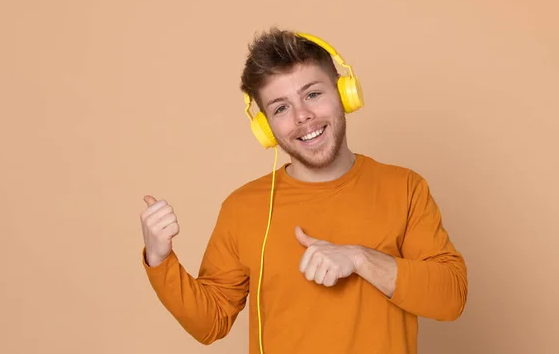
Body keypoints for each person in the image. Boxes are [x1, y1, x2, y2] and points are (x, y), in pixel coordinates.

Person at [138, 27, 468, 354]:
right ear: (266, 126)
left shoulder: (405, 187)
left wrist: (359, 258)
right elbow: (209, 323)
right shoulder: (242, 209)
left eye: (312, 94)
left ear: (344, 93)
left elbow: (450, 298)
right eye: (281, 108)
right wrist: (160, 258)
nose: (302, 117)